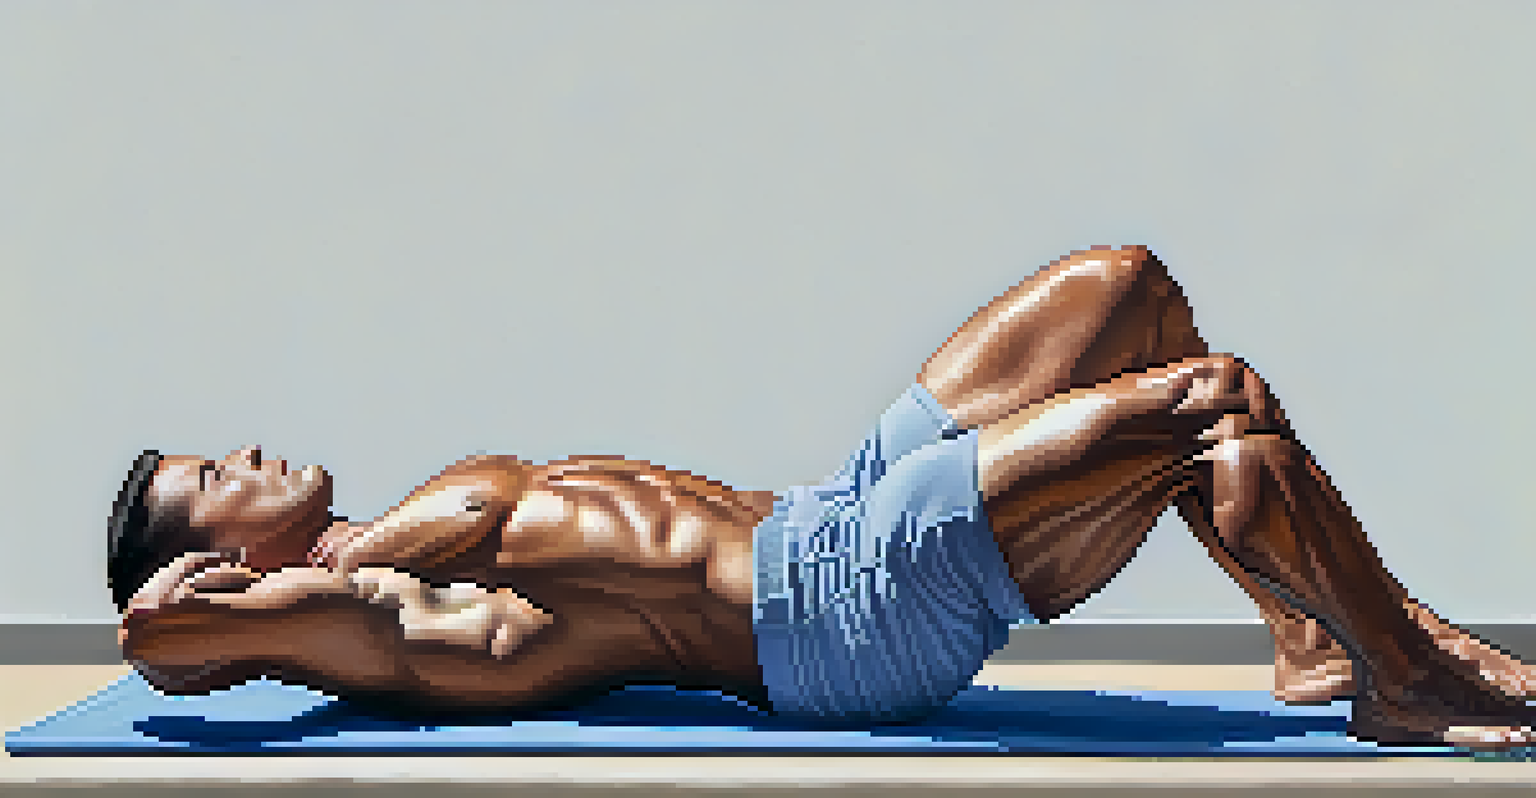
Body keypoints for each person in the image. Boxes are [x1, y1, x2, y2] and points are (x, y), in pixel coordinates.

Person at [110, 245, 1536, 748]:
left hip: (833, 510)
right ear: (219, 552)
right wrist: (185, 614)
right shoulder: (360, 613)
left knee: (1133, 289)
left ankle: (1308, 636)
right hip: (845, 614)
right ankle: (1398, 667)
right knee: (1211, 409)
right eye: (212, 481)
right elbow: (157, 650)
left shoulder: (387, 540)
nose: (244, 453)